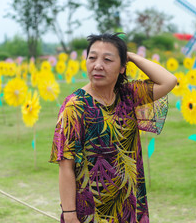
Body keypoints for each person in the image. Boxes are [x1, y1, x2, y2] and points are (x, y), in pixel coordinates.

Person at [49, 33, 177, 223]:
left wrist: (131, 55)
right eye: (92, 58)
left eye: (107, 59)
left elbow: (168, 81)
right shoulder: (75, 107)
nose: (98, 65)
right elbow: (65, 166)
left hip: (129, 205)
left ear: (122, 67)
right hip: (92, 212)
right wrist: (69, 215)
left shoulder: (128, 95)